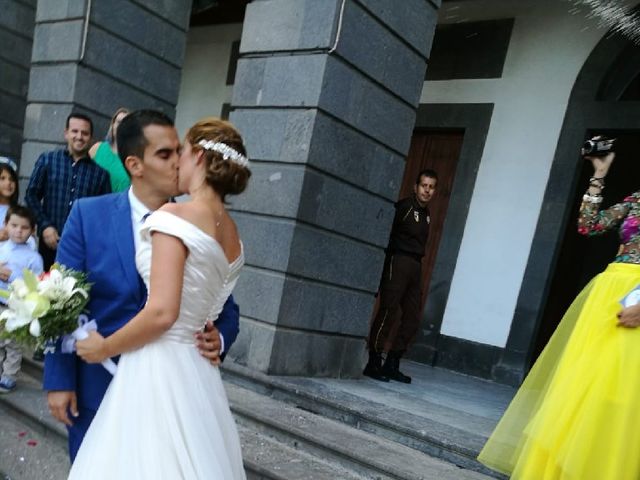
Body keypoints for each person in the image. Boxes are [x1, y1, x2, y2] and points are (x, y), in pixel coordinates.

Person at [43, 110, 241, 464]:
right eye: (165, 154)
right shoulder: (89, 215)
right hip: (96, 383)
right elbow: (58, 300)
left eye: (180, 150)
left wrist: (220, 337)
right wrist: (58, 378)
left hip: (173, 389)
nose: (178, 161)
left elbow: (224, 303)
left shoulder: (196, 222)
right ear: (135, 164)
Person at [478, 147, 640, 479]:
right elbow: (589, 227)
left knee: (621, 396)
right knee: (581, 389)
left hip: (636, 302)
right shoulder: (636, 198)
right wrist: (600, 173)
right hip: (608, 296)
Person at [25, 113, 111, 271]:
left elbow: (103, 215)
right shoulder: (48, 160)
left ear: (91, 138)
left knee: (75, 293)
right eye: (75, 131)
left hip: (81, 249)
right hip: (49, 244)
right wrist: (45, 226)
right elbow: (31, 195)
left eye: (84, 133)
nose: (79, 137)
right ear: (66, 133)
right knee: (44, 291)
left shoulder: (100, 175)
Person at [0, 205, 44, 393]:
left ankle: (9, 376)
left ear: (33, 231)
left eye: (24, 227)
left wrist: (12, 278)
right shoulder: (1, 248)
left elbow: (36, 286)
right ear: (6, 225)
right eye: (14, 225)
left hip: (16, 308)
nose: (18, 231)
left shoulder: (34, 258)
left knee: (13, 343)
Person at [89, 107, 131, 192]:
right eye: (118, 122)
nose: (121, 126)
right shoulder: (97, 148)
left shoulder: (132, 159)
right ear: (112, 125)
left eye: (125, 123)